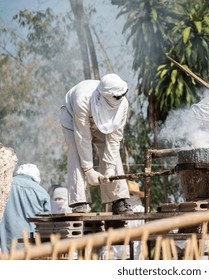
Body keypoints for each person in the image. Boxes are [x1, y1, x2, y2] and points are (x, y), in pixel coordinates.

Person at [60, 73, 132, 214]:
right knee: (75, 151)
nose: (120, 97)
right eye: (117, 96)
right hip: (72, 116)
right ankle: (79, 201)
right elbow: (83, 137)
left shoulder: (123, 104)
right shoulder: (83, 99)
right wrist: (89, 170)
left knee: (112, 153)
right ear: (105, 94)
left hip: (100, 122)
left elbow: (114, 139)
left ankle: (118, 200)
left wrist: (110, 168)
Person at [0, 164, 51, 253]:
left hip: (4, 246)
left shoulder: (3, 185)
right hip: (30, 247)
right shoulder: (42, 192)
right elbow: (47, 224)